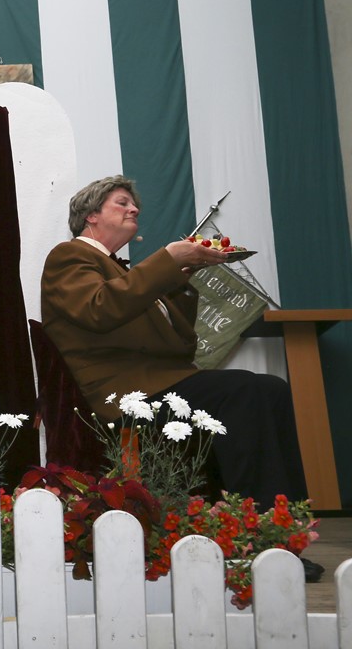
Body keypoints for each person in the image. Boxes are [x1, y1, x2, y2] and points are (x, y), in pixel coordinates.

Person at [40, 175, 308, 511]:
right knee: (245, 390)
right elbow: (99, 309)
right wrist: (166, 259)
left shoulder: (124, 273)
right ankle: (258, 517)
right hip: (125, 392)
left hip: (160, 380)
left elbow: (182, 343)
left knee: (273, 389)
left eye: (133, 204)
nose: (134, 209)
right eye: (122, 203)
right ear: (91, 214)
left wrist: (179, 277)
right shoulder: (70, 255)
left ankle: (288, 517)